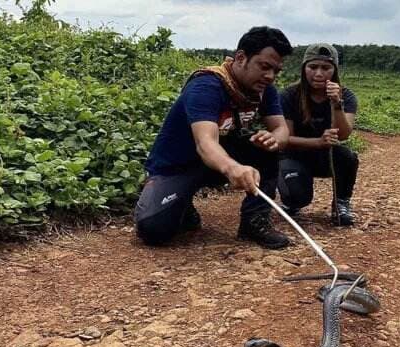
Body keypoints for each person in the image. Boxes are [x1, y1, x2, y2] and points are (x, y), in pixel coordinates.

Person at [134, 26, 293, 249]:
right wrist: (233, 168)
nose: (270, 76)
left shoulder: (264, 90)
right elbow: (205, 142)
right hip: (179, 164)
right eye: (264, 67)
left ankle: (254, 222)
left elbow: (282, 130)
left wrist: (274, 139)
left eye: (276, 71)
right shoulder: (206, 86)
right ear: (240, 58)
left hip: (216, 161)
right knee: (154, 230)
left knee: (266, 148)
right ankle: (175, 199)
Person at [278, 43, 358, 226]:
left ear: (334, 70)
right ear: (304, 69)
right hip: (294, 154)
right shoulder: (289, 95)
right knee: (298, 197)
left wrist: (337, 104)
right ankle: (292, 200)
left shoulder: (346, 95)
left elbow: (344, 134)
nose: (319, 74)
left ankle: (341, 202)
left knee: (348, 157)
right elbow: (284, 139)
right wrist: (317, 142)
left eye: (326, 68)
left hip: (324, 157)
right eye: (313, 67)